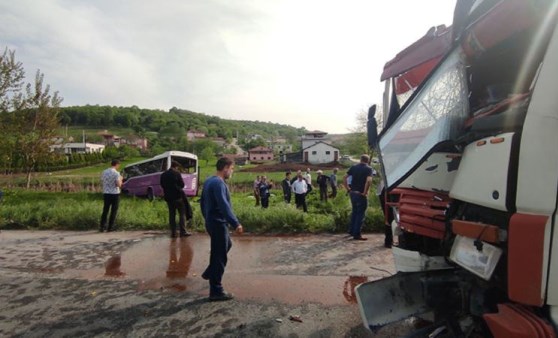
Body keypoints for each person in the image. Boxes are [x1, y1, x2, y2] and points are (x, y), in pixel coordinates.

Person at [200, 157, 244, 301]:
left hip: (211, 221)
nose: (232, 172)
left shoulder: (208, 180)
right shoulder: (219, 183)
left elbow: (202, 203)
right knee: (219, 256)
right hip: (218, 223)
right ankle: (216, 291)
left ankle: (210, 271)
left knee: (227, 245)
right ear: (225, 167)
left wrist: (207, 217)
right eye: (231, 169)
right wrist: (235, 223)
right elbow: (224, 205)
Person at [343, 154, 374, 241]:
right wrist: (365, 192)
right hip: (361, 194)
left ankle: (351, 230)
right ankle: (357, 234)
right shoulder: (369, 169)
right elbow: (368, 181)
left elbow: (344, 177)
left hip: (352, 193)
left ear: (360, 159)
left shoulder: (354, 167)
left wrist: (348, 189)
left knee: (354, 212)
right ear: (367, 161)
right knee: (360, 214)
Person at [160, 160, 191, 238]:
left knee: (172, 215)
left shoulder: (163, 174)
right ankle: (183, 231)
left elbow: (162, 185)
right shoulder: (177, 174)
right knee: (182, 214)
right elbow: (182, 184)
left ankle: (173, 233)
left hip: (168, 198)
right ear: (176, 167)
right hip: (178, 197)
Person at [100, 159, 123, 232]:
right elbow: (118, 185)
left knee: (105, 210)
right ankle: (110, 227)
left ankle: (102, 226)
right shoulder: (117, 173)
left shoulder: (104, 172)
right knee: (113, 211)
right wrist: (121, 180)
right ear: (117, 164)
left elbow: (102, 181)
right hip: (114, 193)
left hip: (106, 193)